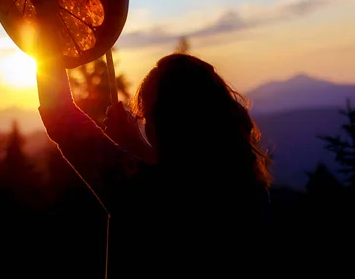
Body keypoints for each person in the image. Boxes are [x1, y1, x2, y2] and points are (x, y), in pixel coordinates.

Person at [35, 32, 271, 276]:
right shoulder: (249, 189)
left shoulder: (144, 192)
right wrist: (135, 145)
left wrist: (45, 11)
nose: (145, 124)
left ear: (167, 123)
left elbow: (59, 115)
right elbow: (183, 177)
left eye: (147, 115)